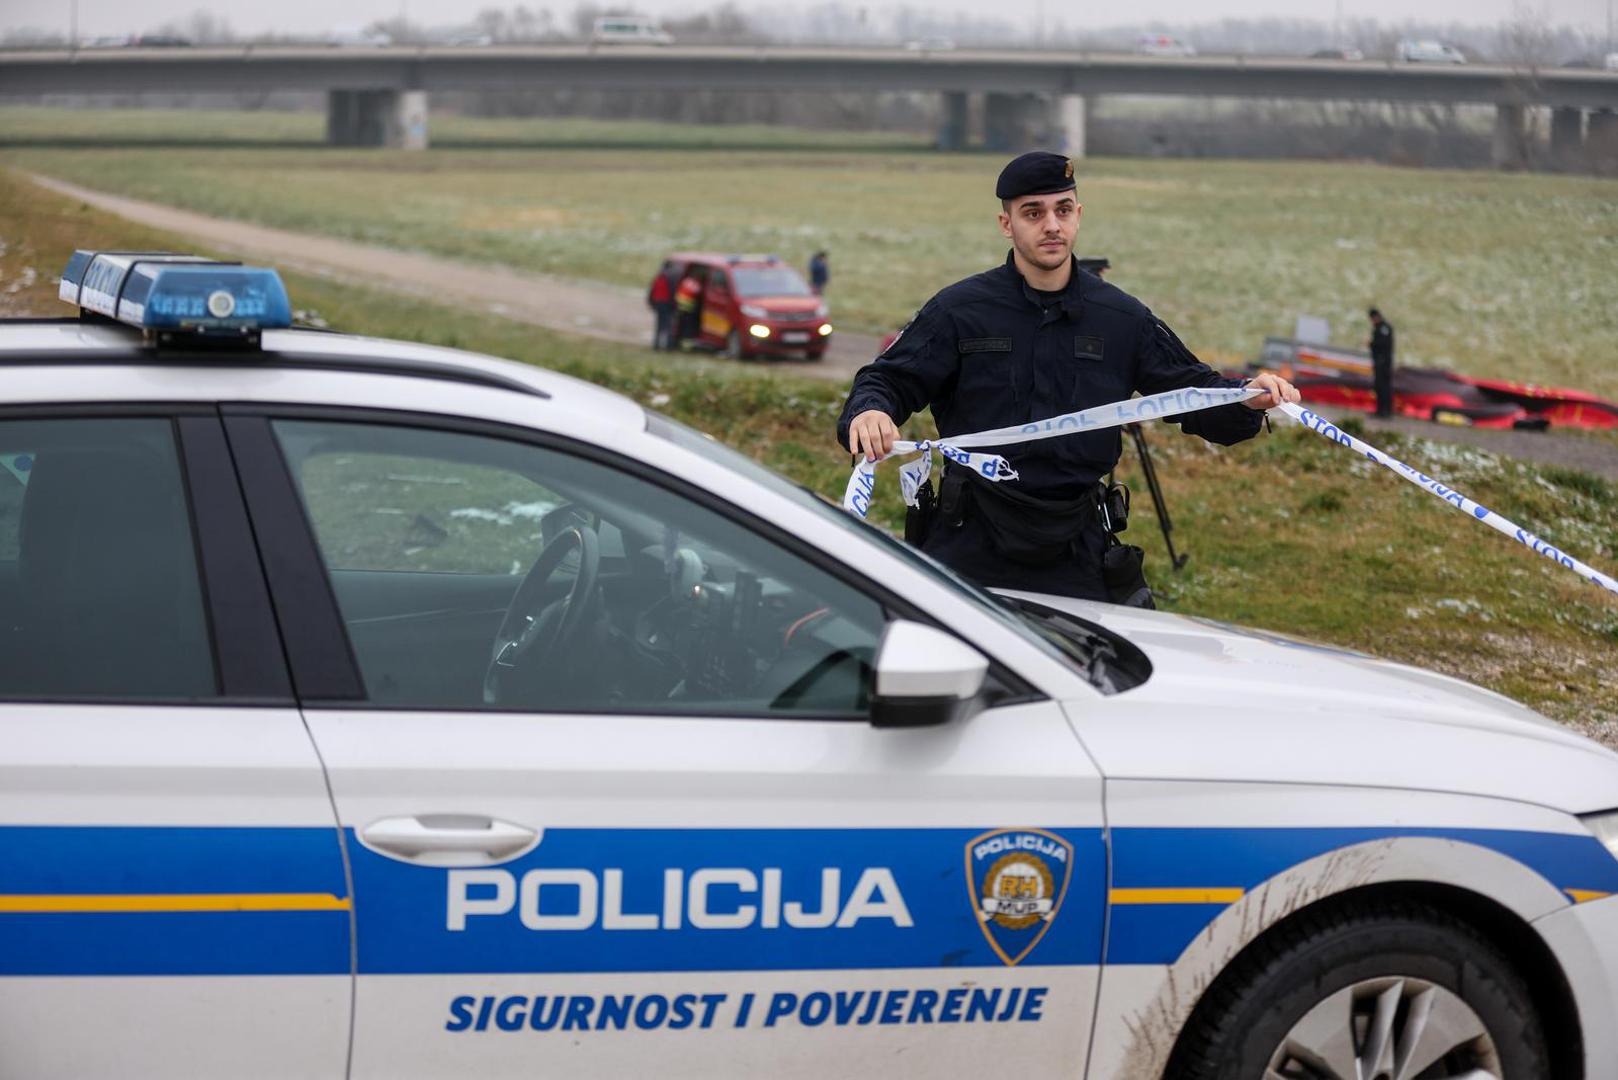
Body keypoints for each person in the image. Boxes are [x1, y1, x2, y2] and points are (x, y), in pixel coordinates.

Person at [835, 150, 1298, 605]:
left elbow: (1193, 391)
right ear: (1006, 224)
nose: (1051, 225)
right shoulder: (960, 310)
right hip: (971, 539)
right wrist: (870, 411)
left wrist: (1246, 399)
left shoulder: (1121, 317)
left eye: (1062, 210)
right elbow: (888, 379)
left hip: (1076, 543)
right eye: (1032, 213)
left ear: (1078, 215)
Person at [1368, 307, 1395, 418]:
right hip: (1379, 362)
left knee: (1384, 387)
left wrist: (1371, 343)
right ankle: (1380, 410)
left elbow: (1383, 344)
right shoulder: (1378, 328)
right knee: (1379, 387)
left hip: (1384, 363)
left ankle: (1385, 411)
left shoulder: (1384, 328)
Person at [647, 262, 677, 350]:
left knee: (659, 325)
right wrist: (674, 305)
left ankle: (656, 345)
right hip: (666, 304)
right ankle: (668, 346)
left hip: (658, 303)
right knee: (668, 326)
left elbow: (652, 290)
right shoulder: (671, 277)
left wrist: (651, 303)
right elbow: (672, 292)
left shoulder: (658, 277)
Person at [673, 266, 704, 349]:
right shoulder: (696, 285)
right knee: (688, 328)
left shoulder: (686, 281)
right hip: (689, 309)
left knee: (680, 325)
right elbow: (699, 295)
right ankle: (686, 346)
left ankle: (676, 342)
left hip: (679, 307)